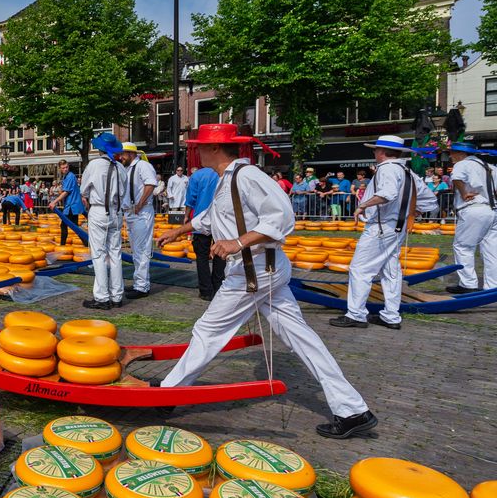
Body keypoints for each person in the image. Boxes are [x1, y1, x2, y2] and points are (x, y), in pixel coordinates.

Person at [153, 124, 376, 439]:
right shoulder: (228, 179)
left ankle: (169, 392)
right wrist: (180, 230)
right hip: (264, 270)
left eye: (200, 146)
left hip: (252, 271)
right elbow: (213, 218)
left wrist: (237, 243)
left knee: (209, 330)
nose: (197, 151)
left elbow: (282, 217)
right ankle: (353, 410)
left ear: (214, 149)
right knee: (302, 338)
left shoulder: (247, 177)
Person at [330, 135, 436, 330]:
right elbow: (430, 201)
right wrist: (407, 214)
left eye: (376, 149)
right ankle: (391, 315)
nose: (374, 152)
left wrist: (362, 206)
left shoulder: (386, 169)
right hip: (396, 227)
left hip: (381, 226)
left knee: (361, 269)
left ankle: (356, 314)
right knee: (390, 271)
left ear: (382, 152)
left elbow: (387, 194)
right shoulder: (407, 172)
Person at [80, 132, 128, 309]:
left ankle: (102, 297)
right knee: (115, 254)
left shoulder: (93, 165)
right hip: (116, 212)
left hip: (99, 211)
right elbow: (124, 193)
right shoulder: (120, 167)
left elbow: (84, 190)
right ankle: (117, 296)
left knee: (99, 254)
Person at [447, 142, 497, 293]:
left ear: (461, 154)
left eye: (452, 153)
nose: (450, 156)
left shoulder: (463, 164)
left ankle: (468, 284)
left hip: (474, 209)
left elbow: (457, 178)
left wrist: (463, 193)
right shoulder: (490, 167)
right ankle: (493, 285)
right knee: (491, 249)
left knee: (463, 246)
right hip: (492, 209)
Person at [120, 143, 157, 300]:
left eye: (123, 154)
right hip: (131, 213)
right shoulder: (127, 169)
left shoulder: (143, 165)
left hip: (141, 213)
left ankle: (142, 286)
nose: (120, 157)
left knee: (142, 250)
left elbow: (150, 184)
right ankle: (138, 283)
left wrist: (140, 203)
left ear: (130, 154)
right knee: (136, 250)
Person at [184, 164, 224, 301]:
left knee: (201, 257)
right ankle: (218, 286)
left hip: (201, 219)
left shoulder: (197, 175)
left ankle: (206, 290)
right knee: (221, 254)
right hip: (221, 220)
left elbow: (190, 199)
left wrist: (186, 217)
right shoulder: (223, 173)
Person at [49, 160, 85, 245]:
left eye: (66, 167)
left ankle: (63, 245)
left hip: (72, 205)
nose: (65, 169)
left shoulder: (70, 176)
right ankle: (86, 243)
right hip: (70, 205)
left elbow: (66, 192)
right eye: (63, 168)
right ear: (60, 169)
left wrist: (54, 202)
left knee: (65, 225)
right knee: (74, 226)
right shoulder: (66, 177)